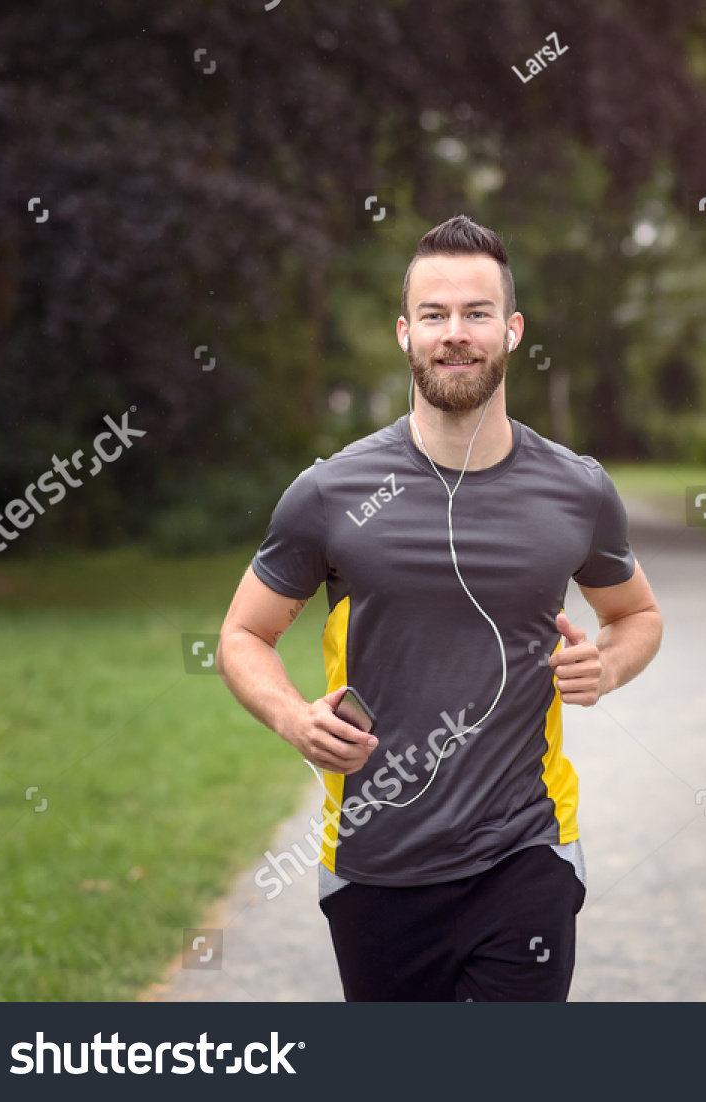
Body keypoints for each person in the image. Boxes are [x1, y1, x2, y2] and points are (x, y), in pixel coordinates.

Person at [217, 214, 663, 1001]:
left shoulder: (578, 489)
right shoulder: (331, 493)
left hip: (527, 852)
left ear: (513, 330)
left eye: (476, 313)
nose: (455, 334)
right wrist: (295, 719)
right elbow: (243, 634)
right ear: (405, 333)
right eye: (435, 315)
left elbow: (637, 617)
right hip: (375, 865)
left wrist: (608, 663)